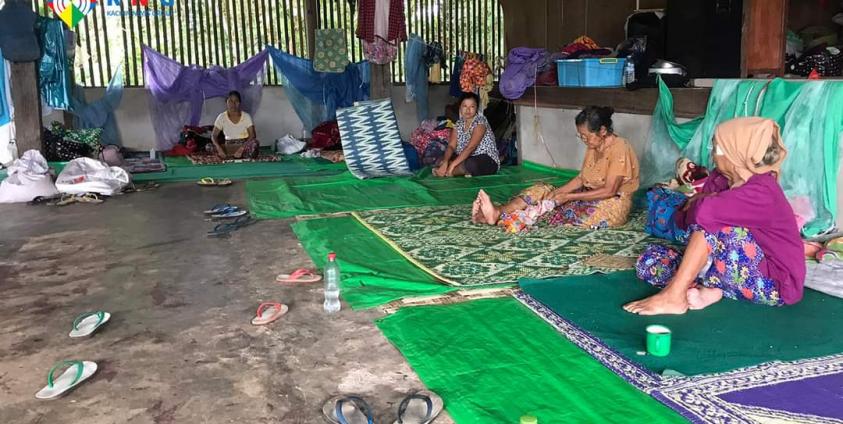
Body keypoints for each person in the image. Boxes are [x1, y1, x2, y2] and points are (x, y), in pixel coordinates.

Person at [624, 117, 805, 315]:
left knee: (714, 223)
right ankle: (711, 290)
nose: (712, 154)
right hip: (731, 269)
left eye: (717, 149)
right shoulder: (720, 179)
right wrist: (704, 201)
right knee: (650, 260)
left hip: (773, 283)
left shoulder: (762, 191)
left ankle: (675, 295)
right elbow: (683, 220)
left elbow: (703, 214)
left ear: (736, 154)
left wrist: (702, 200)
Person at [473, 106, 639, 233]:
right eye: (581, 136)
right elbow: (582, 178)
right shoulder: (594, 145)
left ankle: (514, 218)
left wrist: (569, 196)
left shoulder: (620, 148)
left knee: (572, 215)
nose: (583, 140)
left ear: (602, 130)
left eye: (586, 136)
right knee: (542, 191)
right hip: (586, 195)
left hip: (611, 202)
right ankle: (498, 212)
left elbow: (610, 191)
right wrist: (558, 193)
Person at [433, 92, 500, 177]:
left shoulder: (480, 122)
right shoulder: (459, 124)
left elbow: (470, 148)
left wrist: (452, 165)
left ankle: (449, 171)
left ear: (476, 108)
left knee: (471, 164)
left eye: (472, 107)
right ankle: (453, 169)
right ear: (460, 107)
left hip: (486, 160)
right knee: (440, 160)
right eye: (465, 106)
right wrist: (445, 162)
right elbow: (451, 146)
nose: (468, 110)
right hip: (465, 158)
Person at [210, 91, 259, 159]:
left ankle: (239, 155)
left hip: (243, 146)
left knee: (255, 143)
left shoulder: (246, 116)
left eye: (236, 101)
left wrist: (242, 148)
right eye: (230, 101)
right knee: (209, 146)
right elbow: (213, 135)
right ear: (226, 102)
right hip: (228, 147)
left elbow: (252, 135)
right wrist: (219, 148)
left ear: (239, 103)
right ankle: (226, 155)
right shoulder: (221, 117)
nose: (233, 104)